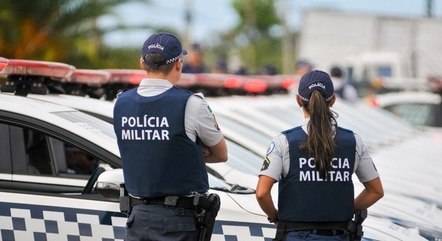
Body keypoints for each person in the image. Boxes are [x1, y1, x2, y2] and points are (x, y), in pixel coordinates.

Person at [113, 32, 228, 241]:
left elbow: (139, 149)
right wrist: (181, 154)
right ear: (179, 64)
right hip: (177, 221)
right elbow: (221, 153)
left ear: (142, 63)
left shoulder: (120, 102)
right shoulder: (191, 103)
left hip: (136, 219)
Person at [256, 70, 383, 241]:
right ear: (333, 100)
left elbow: (262, 193)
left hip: (295, 234)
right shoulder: (353, 141)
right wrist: (344, 209)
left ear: (298, 100)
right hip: (339, 234)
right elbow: (375, 191)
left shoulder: (284, 141)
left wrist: (276, 216)